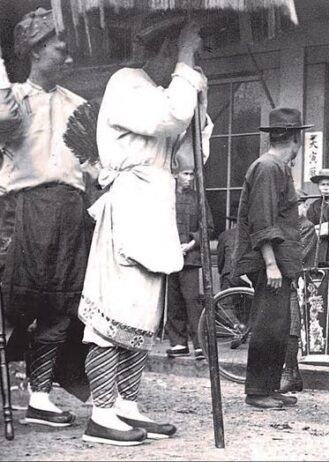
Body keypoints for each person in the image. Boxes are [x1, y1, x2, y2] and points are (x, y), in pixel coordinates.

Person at [78, 20, 212, 445]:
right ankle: (100, 412)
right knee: (113, 312)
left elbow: (190, 158)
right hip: (129, 203)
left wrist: (201, 102)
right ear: (165, 47)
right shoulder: (126, 83)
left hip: (155, 207)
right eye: (185, 50)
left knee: (143, 314)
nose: (191, 59)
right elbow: (170, 118)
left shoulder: (166, 90)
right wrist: (187, 66)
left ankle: (126, 404)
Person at [0, 8, 93, 427]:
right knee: (14, 300)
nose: (70, 59)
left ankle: (39, 397)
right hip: (24, 207)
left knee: (61, 304)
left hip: (70, 210)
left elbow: (94, 164)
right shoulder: (12, 98)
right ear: (36, 50)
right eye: (62, 49)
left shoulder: (79, 106)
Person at [232, 107, 310, 410]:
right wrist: (271, 264)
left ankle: (269, 387)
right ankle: (257, 391)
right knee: (267, 325)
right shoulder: (268, 167)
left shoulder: (277, 166)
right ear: (295, 137)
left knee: (278, 325)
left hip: (279, 262)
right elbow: (261, 220)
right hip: (271, 264)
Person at [165, 161, 214, 360]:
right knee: (173, 301)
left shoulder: (199, 199)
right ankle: (178, 343)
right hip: (168, 257)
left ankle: (200, 344)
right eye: (186, 174)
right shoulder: (166, 198)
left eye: (192, 174)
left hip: (191, 258)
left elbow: (208, 227)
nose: (190, 178)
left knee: (192, 300)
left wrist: (191, 244)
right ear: (176, 175)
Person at [279, 197, 318, 393]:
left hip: (300, 280)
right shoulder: (286, 226)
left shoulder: (307, 227)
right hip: (289, 278)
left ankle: (288, 373)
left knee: (293, 326)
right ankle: (295, 377)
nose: (296, 209)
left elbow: (299, 255)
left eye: (299, 205)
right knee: (287, 325)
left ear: (305, 207)